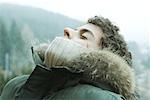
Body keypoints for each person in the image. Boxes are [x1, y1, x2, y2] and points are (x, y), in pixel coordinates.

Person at [0, 16, 137, 100]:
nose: (67, 30)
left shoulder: (104, 99)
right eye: (75, 30)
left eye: (83, 36)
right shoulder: (14, 86)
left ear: (103, 58)